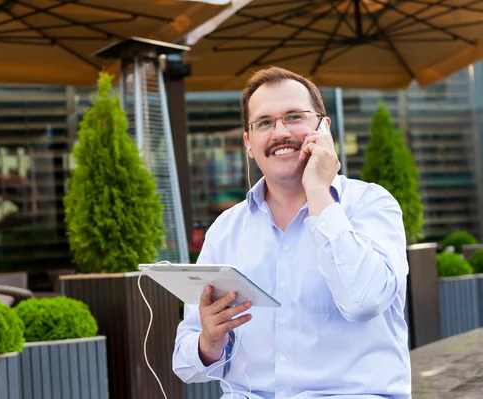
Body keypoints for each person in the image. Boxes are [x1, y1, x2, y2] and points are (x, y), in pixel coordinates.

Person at [172, 67, 411, 399]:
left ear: (323, 128)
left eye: (294, 117)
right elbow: (185, 365)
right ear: (249, 144)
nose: (280, 132)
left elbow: (364, 301)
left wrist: (317, 190)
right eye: (264, 123)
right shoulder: (225, 231)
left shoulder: (370, 205)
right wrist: (209, 341)